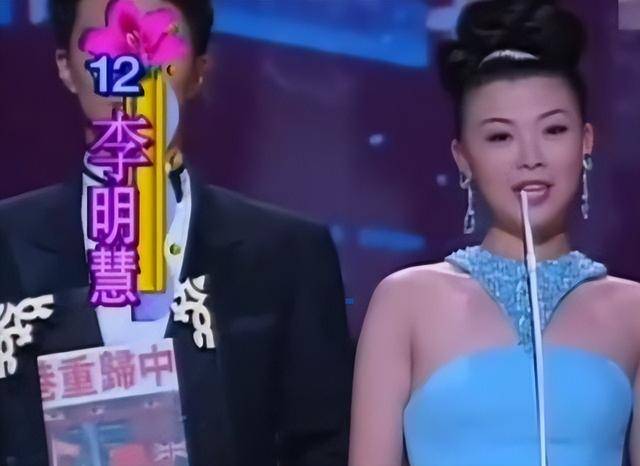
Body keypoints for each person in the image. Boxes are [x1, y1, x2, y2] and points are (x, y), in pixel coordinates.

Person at [0, 1, 353, 465]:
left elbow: (324, 444)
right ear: (66, 67)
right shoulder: (7, 242)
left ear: (200, 70)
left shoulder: (288, 254)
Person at [349, 1, 640, 465]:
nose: (530, 157)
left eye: (554, 130)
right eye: (501, 136)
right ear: (463, 158)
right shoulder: (405, 302)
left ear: (586, 142)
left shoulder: (633, 311)